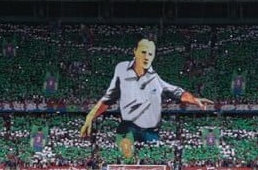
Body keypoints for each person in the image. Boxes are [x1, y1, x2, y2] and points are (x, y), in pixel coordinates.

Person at [80, 38, 214, 146]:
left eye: (150, 54)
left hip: (151, 132)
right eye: (143, 52)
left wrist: (194, 100)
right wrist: (91, 116)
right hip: (129, 127)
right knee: (125, 152)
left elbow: (178, 92)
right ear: (135, 51)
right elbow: (108, 99)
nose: (147, 56)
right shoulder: (122, 70)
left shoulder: (154, 78)